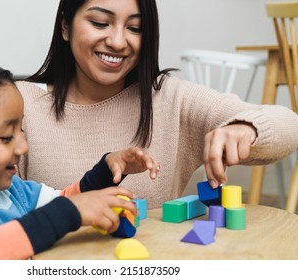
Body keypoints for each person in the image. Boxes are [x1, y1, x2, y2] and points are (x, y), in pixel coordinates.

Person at [16, 0, 298, 209]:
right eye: (100, 23)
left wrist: (246, 127)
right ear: (65, 26)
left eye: (135, 28)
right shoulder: (20, 104)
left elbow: (290, 125)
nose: (117, 41)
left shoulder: (168, 99)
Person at [0, 51, 160, 260]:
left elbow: (64, 200)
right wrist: (67, 212)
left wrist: (107, 169)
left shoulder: (12, 191)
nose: (23, 147)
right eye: (6, 137)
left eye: (21, 130)